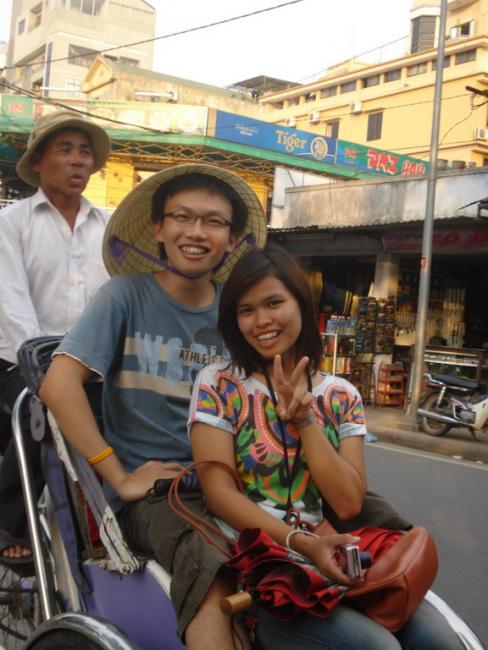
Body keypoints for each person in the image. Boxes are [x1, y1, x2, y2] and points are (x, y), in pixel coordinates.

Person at [188, 242, 463, 650]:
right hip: (264, 572)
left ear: (300, 303)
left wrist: (306, 422)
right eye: (246, 310)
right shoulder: (218, 384)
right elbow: (219, 494)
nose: (261, 321)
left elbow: (349, 503)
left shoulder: (341, 395)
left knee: (440, 640)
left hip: (337, 560)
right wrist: (301, 543)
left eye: (273, 303)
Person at [39, 163, 267, 650]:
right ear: (159, 229)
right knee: (212, 562)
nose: (196, 232)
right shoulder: (124, 296)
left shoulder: (239, 313)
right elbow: (58, 386)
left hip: (231, 485)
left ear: (232, 240)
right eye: (183, 217)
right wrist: (120, 477)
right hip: (157, 498)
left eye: (213, 222)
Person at [0, 110, 111, 562]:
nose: (78, 160)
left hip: (95, 366)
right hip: (20, 362)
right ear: (38, 162)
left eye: (84, 152)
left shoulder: (109, 226)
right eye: (65, 150)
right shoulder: (11, 222)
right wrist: (45, 372)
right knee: (43, 407)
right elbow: (10, 302)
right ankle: (9, 521)